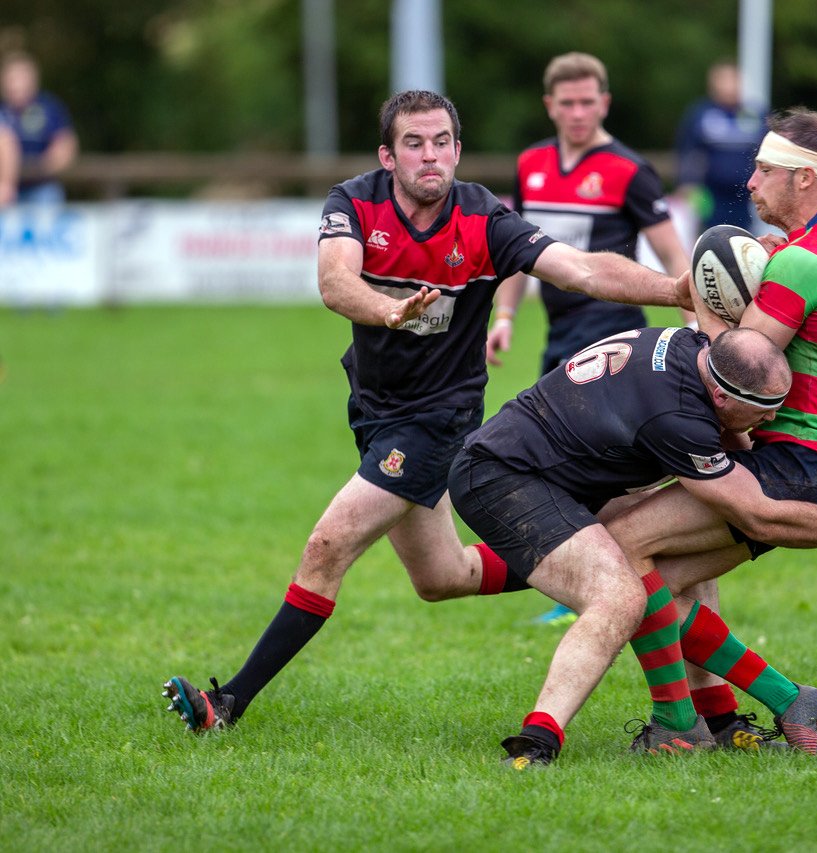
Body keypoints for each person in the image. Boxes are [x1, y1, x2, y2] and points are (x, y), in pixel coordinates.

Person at [161, 89, 690, 736]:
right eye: (414, 143)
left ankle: (227, 704)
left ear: (458, 150)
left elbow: (579, 269)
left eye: (441, 142)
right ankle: (591, 543)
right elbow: (334, 281)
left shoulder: (483, 218)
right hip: (375, 411)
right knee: (442, 576)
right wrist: (388, 309)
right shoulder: (354, 202)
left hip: (439, 418)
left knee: (328, 544)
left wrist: (674, 288)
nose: (430, 155)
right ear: (388, 156)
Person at [449, 326, 817, 766]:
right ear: (721, 396)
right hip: (502, 479)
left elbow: (729, 436)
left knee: (652, 562)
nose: (771, 419)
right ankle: (538, 743)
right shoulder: (677, 416)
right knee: (620, 594)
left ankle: (704, 721)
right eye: (763, 408)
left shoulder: (693, 348)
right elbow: (757, 516)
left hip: (554, 469)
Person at [605, 107, 817, 753]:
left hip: (790, 466)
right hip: (809, 459)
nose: (750, 182)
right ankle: (717, 719)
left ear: (804, 178)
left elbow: (733, 372)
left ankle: (708, 718)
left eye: (764, 169)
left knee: (621, 555)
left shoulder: (802, 262)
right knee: (667, 577)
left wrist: (704, 304)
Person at [485, 52, 691, 627]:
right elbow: (517, 253)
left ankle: (613, 574)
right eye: (567, 102)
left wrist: (697, 324)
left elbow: (674, 257)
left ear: (604, 103)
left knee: (600, 465)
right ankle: (587, 575)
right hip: (559, 337)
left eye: (587, 101)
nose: (577, 112)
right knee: (556, 458)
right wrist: (504, 317)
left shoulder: (629, 170)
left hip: (615, 340)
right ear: (549, 105)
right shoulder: (531, 164)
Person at [674, 61, 767, 233]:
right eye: (724, 80)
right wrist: (687, 182)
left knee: (745, 235)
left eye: (734, 80)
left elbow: (766, 150)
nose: (730, 87)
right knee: (710, 235)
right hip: (710, 193)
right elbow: (688, 150)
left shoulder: (754, 114)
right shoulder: (701, 114)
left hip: (746, 193)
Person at [0, 51, 77, 204]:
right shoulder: (2, 111)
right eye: (12, 78)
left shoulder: (49, 108)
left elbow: (65, 146)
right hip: (6, 189)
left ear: (33, 79)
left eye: (22, 77)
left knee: (48, 197)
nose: (17, 85)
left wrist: (40, 167)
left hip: (41, 186)